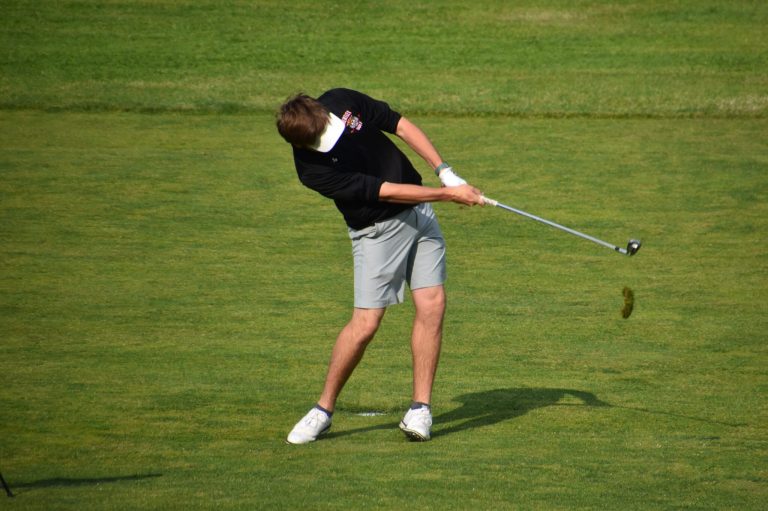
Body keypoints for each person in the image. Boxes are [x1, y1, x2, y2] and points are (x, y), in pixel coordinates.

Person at [276, 88, 485, 444]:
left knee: (433, 305)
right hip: (378, 232)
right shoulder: (312, 171)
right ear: (301, 145)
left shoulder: (341, 101)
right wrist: (448, 194)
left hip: (420, 217)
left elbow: (399, 125)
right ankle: (323, 410)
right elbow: (385, 191)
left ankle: (420, 409)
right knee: (366, 324)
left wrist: (444, 171)